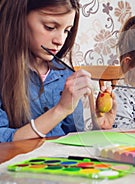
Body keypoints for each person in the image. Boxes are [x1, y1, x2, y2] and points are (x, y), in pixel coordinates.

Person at [0, 0, 116, 142]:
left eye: (67, 30)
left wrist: (98, 126)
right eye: (50, 27)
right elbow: (2, 140)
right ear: (18, 18)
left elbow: (73, 137)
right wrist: (60, 110)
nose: (60, 40)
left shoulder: (65, 76)